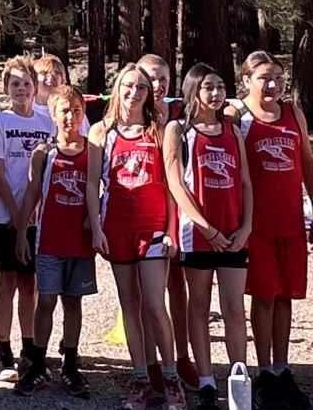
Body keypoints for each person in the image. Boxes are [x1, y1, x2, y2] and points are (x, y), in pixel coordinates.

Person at [88, 65, 182, 410]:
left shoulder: (160, 130)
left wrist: (172, 231)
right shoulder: (102, 132)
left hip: (154, 229)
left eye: (141, 86)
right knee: (129, 305)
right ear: (117, 89)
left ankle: (170, 380)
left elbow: (174, 186)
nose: (134, 92)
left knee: (156, 305)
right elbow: (90, 185)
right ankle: (142, 379)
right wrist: (96, 227)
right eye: (128, 85)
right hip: (117, 228)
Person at [236, 51, 313, 410]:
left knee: (286, 294)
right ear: (246, 81)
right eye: (263, 78)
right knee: (264, 295)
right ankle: (264, 371)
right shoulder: (237, 116)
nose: (271, 85)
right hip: (257, 223)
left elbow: (306, 165)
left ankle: (282, 366)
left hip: (290, 219)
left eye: (277, 78)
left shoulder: (293, 114)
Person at [163, 65, 251, 410]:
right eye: (208, 87)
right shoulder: (179, 130)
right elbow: (176, 184)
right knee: (198, 306)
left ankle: (238, 381)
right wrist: (206, 229)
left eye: (220, 87)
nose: (215, 94)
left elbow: (245, 182)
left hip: (233, 233)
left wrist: (246, 227)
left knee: (234, 307)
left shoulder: (232, 130)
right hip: (198, 234)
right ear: (193, 91)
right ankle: (205, 381)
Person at [13, 85, 96, 398]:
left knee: (73, 301)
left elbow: (103, 190)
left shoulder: (93, 148)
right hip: (49, 238)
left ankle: (71, 364)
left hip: (81, 240)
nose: (71, 116)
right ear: (53, 113)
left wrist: (97, 225)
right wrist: (22, 232)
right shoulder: (43, 152)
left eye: (76, 110)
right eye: (65, 110)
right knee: (46, 299)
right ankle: (36, 362)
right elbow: (32, 195)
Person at [0, 57, 54, 383]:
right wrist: (15, 211)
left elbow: (47, 171)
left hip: (36, 217)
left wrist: (32, 210)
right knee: (7, 283)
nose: (21, 90)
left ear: (35, 87)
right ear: (5, 89)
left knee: (31, 284)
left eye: (26, 84)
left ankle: (29, 348)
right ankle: (3, 349)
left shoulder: (46, 122)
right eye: (15, 84)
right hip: (3, 217)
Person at [137, 53, 194, 388]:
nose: (157, 85)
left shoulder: (178, 116)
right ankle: (150, 361)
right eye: (151, 79)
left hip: (178, 210)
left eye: (163, 79)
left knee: (178, 286)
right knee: (147, 294)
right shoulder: (130, 115)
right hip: (146, 214)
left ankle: (182, 354)